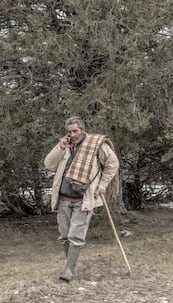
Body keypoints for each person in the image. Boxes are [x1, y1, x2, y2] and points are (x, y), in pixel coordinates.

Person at [44, 116, 119, 282]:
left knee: (76, 236)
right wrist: (60, 146)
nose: (72, 134)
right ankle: (71, 265)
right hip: (63, 198)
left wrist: (102, 185)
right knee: (64, 235)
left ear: (82, 129)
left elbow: (112, 164)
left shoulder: (96, 144)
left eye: (75, 131)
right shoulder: (67, 146)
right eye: (69, 131)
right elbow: (48, 164)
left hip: (83, 199)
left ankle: (69, 270)